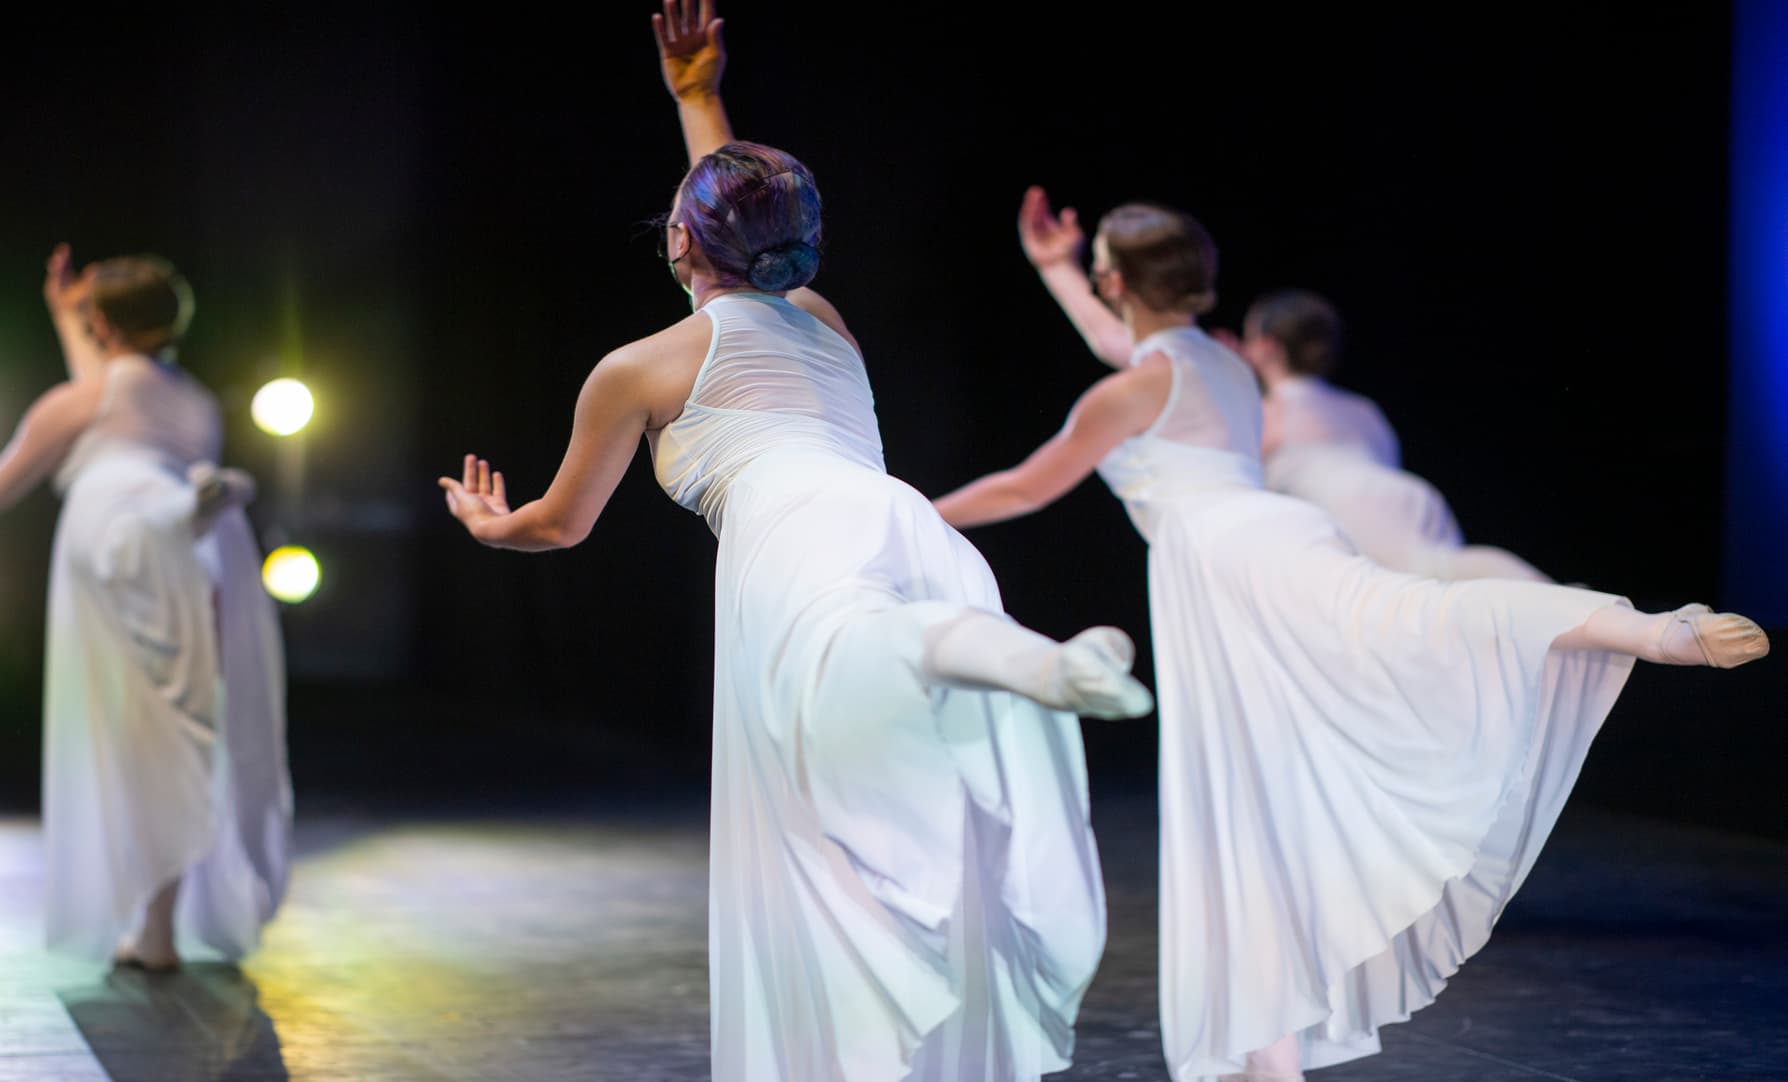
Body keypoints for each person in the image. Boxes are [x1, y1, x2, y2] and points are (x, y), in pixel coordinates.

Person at [434, 3, 1149, 1076]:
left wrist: (493, 527)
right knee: (910, 663)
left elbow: (562, 522)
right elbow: (740, 211)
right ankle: (1046, 662)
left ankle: (852, 1037)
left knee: (830, 820)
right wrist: (696, 98)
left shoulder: (637, 368)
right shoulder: (821, 318)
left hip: (790, 541)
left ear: (678, 238)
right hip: (903, 519)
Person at [932, 199, 1769, 1081]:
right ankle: (1642, 627)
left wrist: (912, 509)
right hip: (1280, 536)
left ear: (1115, 280)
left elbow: (1026, 486)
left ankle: (1270, 1052)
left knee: (1251, 798)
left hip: (1228, 565)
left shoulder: (1137, 385)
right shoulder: (1217, 363)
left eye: (1096, 269)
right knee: (1398, 637)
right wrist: (1059, 266)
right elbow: (1125, 339)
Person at [0, 244, 291, 970]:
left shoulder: (84, 399)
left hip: (112, 534)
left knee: (127, 728)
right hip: (184, 548)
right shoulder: (191, 398)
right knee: (176, 728)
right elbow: (113, 378)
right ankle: (156, 927)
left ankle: (149, 928)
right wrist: (67, 314)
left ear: (105, 327)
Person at [1014, 187, 1549, 581]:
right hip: (1414, 500)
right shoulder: (1363, 410)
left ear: (1265, 346)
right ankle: (1555, 603)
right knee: (1442, 576)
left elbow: (1121, 345)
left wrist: (1060, 270)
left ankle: (1563, 609)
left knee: (1423, 594)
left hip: (1347, 513)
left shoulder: (1252, 402)